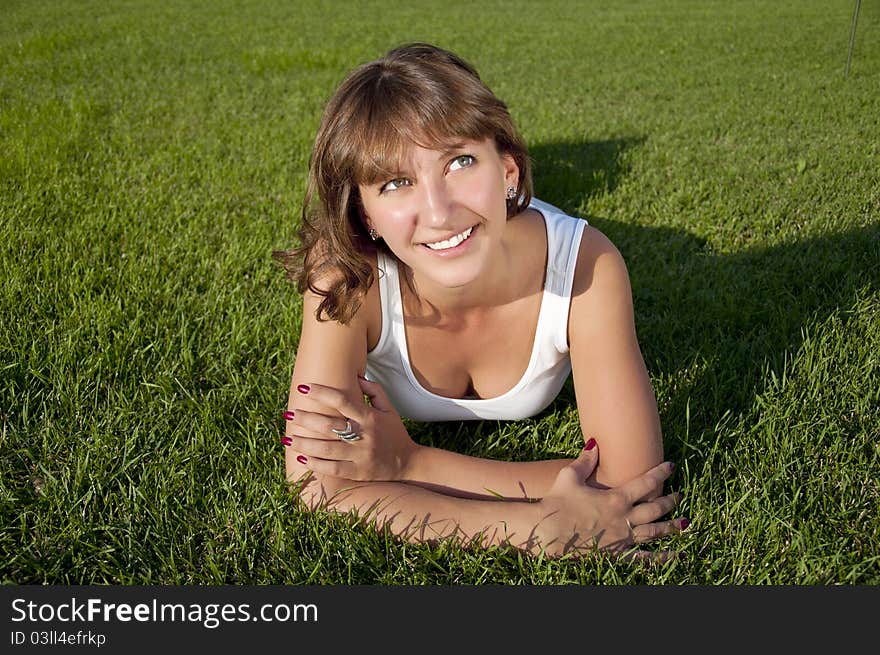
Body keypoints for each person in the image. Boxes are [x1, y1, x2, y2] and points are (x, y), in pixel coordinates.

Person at [274, 42, 688, 561]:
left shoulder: (586, 266)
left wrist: (408, 465)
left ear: (509, 170)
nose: (439, 211)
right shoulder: (344, 274)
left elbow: (629, 481)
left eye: (460, 161)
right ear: (365, 216)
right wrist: (538, 528)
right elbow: (315, 483)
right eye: (397, 182)